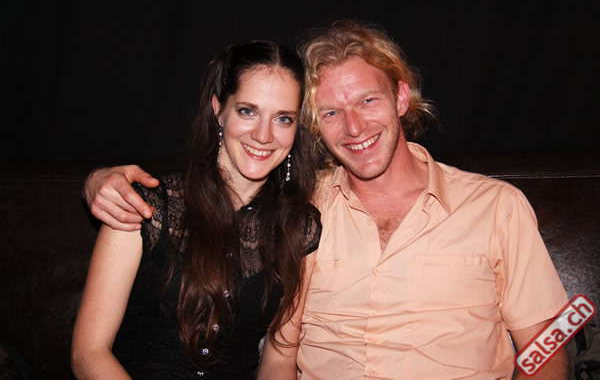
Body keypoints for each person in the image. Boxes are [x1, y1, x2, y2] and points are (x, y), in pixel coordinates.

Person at [83, 20, 569, 379]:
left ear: (401, 98)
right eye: (331, 112)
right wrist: (98, 179)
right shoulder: (299, 212)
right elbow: (282, 352)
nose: (354, 127)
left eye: (368, 101)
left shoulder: (496, 206)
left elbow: (548, 343)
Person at [71, 41, 322, 380]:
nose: (264, 135)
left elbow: (279, 359)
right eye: (248, 111)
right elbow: (89, 354)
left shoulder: (300, 227)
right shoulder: (142, 206)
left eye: (283, 118)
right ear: (219, 109)